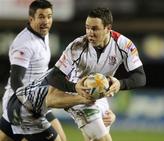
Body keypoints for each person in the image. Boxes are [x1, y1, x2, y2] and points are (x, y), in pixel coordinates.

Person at [45, 7, 146, 141]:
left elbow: (140, 77)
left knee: (94, 136)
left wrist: (120, 84)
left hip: (99, 95)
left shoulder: (124, 45)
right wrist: (75, 87)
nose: (89, 33)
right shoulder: (78, 46)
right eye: (87, 28)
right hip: (76, 94)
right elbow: (53, 76)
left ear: (108, 28)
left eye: (95, 28)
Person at [0, 0, 67, 141]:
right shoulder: (24, 44)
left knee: (62, 137)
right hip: (21, 103)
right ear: (31, 19)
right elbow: (16, 81)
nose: (46, 21)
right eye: (41, 16)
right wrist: (30, 105)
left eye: (49, 16)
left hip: (37, 101)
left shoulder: (44, 34)